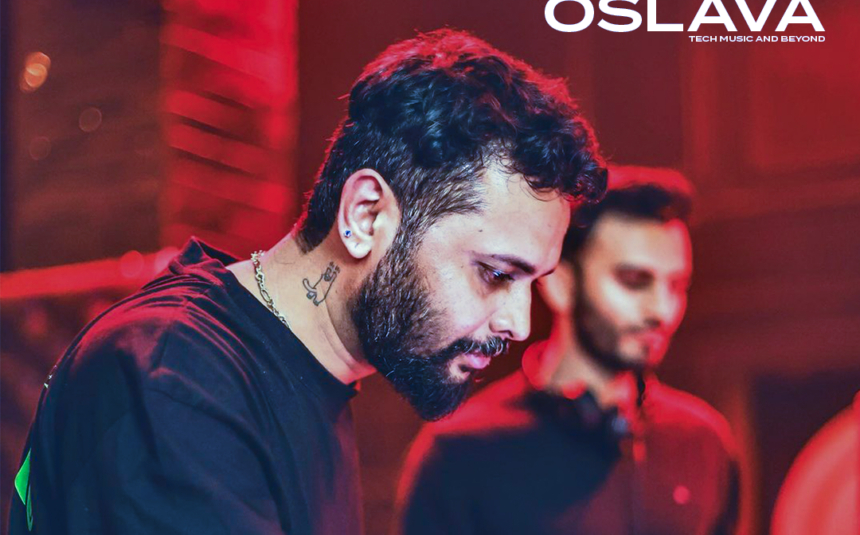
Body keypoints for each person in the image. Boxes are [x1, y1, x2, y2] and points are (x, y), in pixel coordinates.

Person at [8, 29, 606, 535]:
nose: (518, 324)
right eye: (496, 273)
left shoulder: (306, 378)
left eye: (532, 282)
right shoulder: (176, 380)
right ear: (365, 216)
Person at [396, 166, 741, 535]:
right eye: (634, 281)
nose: (662, 310)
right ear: (561, 284)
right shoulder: (459, 454)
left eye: (676, 285)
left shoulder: (705, 443)